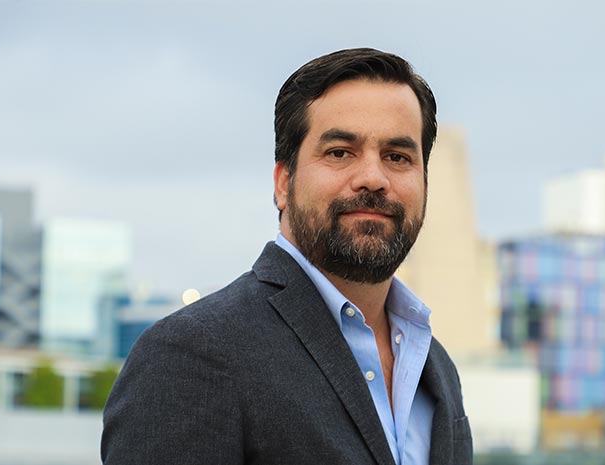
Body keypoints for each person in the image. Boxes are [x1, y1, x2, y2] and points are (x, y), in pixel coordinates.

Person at [101, 47, 472, 465]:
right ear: (283, 182)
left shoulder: (436, 369)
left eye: (397, 157)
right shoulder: (191, 355)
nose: (373, 177)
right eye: (340, 152)